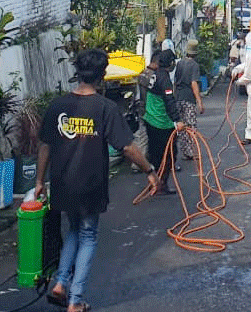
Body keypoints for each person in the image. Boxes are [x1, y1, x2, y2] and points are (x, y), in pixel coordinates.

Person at [35, 49, 161, 312]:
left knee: (73, 229)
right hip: (90, 183)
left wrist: (39, 181)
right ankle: (76, 299)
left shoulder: (58, 106)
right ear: (102, 76)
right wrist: (149, 170)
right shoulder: (105, 108)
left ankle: (60, 284)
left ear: (77, 73)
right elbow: (127, 147)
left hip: (62, 182)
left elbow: (45, 145)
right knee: (88, 235)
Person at [143, 50, 185, 194]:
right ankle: (161, 185)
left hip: (149, 119)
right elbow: (169, 101)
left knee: (154, 154)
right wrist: (177, 120)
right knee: (169, 155)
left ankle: (153, 182)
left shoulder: (153, 74)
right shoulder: (164, 79)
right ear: (171, 63)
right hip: (162, 123)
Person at [174, 39, 205, 160]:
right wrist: (199, 102)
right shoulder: (194, 65)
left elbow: (175, 82)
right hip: (188, 99)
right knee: (191, 125)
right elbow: (194, 84)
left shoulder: (180, 63)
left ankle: (186, 151)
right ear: (196, 53)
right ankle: (192, 151)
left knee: (182, 126)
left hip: (179, 98)